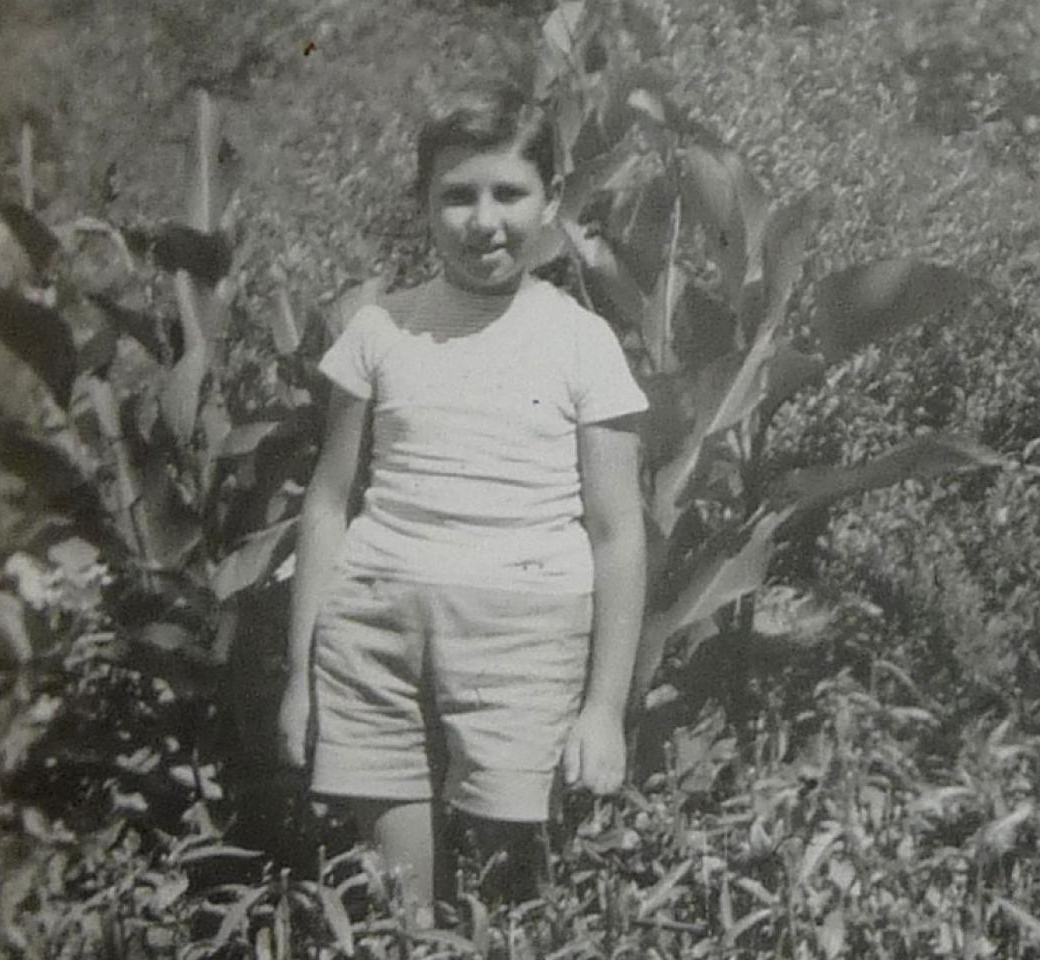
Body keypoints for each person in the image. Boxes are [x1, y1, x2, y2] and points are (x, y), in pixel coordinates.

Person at [276, 80, 647, 926]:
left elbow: (618, 532)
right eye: (457, 195)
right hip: (375, 629)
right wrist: (300, 677)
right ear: (422, 204)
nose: (485, 221)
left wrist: (603, 708)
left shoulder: (581, 342)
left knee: (512, 900)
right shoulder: (380, 330)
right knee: (396, 904)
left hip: (525, 633)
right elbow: (329, 504)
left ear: (551, 201)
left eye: (510, 193)